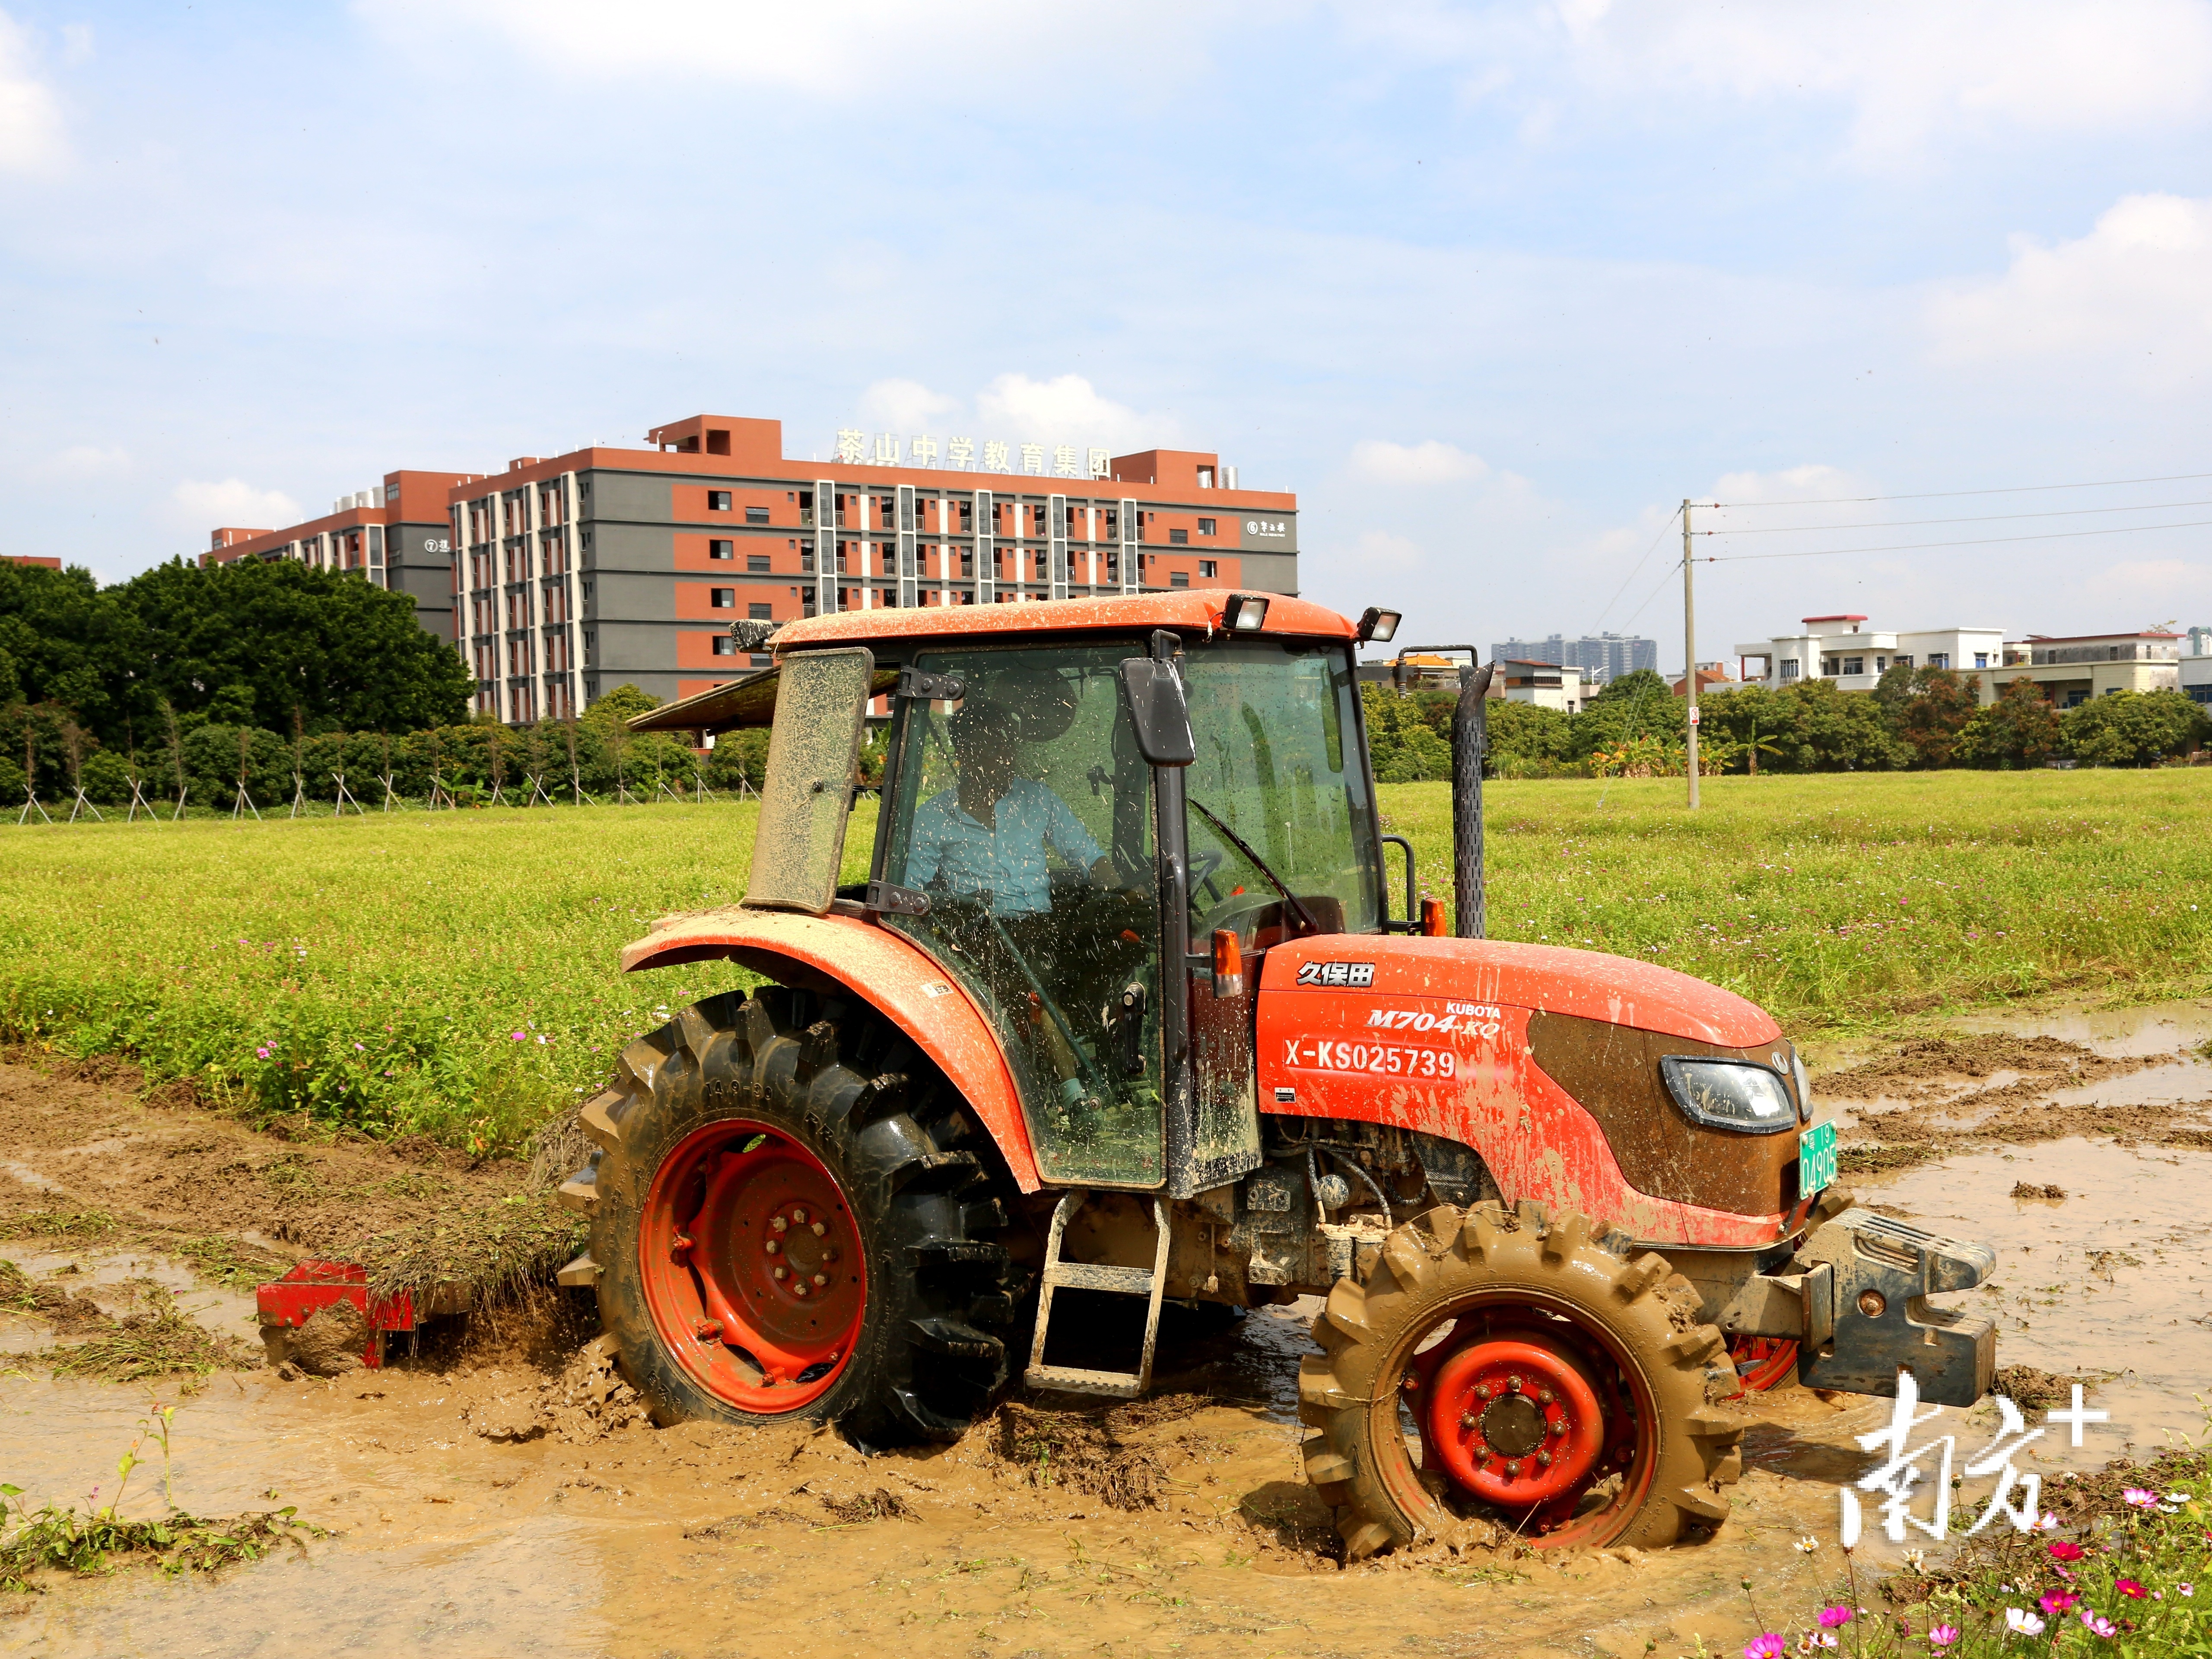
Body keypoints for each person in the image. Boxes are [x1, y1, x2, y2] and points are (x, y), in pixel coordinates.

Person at [903, 701, 1122, 917]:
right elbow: (908, 891)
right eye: (994, 748)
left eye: (1010, 745)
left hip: (1044, 930)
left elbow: (1087, 854)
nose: (1007, 758)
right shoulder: (933, 817)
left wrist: (1124, 896)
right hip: (980, 936)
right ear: (965, 754)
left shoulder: (1038, 798)